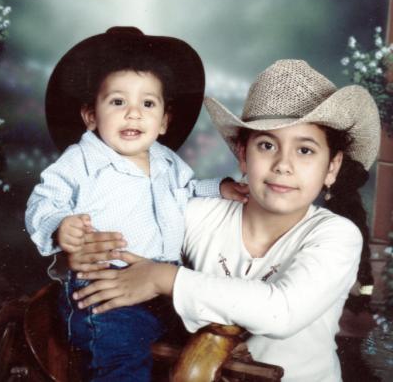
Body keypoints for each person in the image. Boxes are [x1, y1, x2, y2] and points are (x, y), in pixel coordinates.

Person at [69, 59, 381, 382]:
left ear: (332, 167)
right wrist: (89, 248)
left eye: (305, 151)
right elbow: (130, 235)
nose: (283, 165)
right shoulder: (199, 215)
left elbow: (282, 311)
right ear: (243, 155)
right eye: (266, 145)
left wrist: (163, 277)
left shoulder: (337, 235)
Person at [25, 27, 247, 382]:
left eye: (147, 103)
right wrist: (59, 224)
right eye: (117, 102)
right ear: (91, 116)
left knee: (205, 337)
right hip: (103, 290)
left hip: (160, 283)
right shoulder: (81, 160)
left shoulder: (166, 161)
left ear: (164, 121)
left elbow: (186, 190)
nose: (133, 114)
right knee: (123, 357)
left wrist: (218, 187)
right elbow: (44, 200)